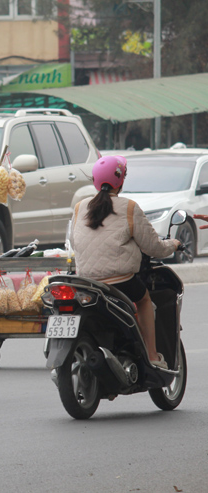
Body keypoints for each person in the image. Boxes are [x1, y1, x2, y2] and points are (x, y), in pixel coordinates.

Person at [70, 155, 180, 369]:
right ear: (121, 181)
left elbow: (75, 242)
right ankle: (151, 356)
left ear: (94, 180)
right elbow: (153, 247)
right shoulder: (129, 208)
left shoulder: (79, 207)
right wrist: (173, 245)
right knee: (145, 300)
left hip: (86, 284)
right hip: (120, 282)